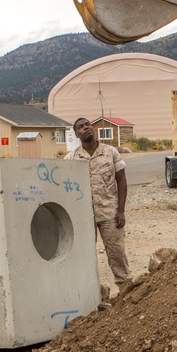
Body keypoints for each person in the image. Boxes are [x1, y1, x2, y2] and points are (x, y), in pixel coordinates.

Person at [64, 117, 131, 288]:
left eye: (87, 125)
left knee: (117, 253)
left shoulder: (110, 152)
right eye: (80, 127)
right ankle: (91, 293)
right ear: (76, 134)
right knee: (85, 255)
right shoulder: (71, 159)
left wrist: (121, 210)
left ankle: (126, 291)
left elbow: (121, 181)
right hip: (84, 217)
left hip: (110, 212)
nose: (85, 128)